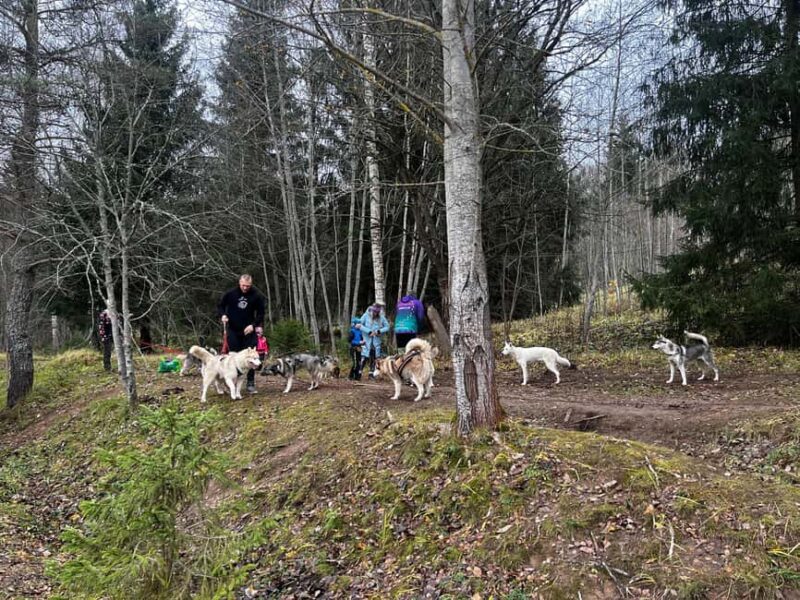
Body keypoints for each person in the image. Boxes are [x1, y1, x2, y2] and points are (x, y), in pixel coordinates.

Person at [217, 274, 265, 394]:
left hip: (248, 331)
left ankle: (250, 383)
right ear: (239, 283)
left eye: (247, 286)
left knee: (252, 358)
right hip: (233, 330)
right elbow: (220, 306)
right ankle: (231, 383)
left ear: (251, 284)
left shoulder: (256, 295)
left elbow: (261, 314)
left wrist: (253, 326)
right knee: (233, 356)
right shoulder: (231, 293)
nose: (245, 288)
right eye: (243, 285)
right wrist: (223, 315)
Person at [360, 303, 389, 379]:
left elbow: (387, 327)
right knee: (364, 357)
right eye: (374, 312)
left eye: (377, 312)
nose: (375, 314)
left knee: (374, 357)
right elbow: (359, 325)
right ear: (372, 310)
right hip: (366, 340)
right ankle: (358, 372)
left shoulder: (381, 318)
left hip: (376, 341)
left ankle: (371, 374)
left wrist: (379, 331)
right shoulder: (366, 315)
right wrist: (368, 331)